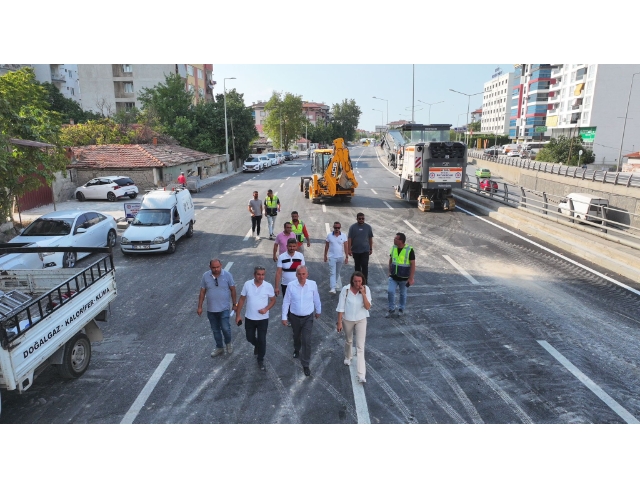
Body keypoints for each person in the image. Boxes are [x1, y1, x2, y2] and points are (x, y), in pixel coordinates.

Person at [281, 266, 321, 377]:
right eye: (299, 274)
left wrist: (318, 310)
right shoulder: (291, 286)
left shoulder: (312, 284)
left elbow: (316, 298)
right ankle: (296, 348)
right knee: (296, 335)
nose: (301, 276)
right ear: (296, 275)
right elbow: (286, 302)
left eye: (303, 274)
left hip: (308, 317)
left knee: (307, 340)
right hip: (294, 317)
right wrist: (284, 317)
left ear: (307, 274)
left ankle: (306, 364)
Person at [236, 266, 276, 371]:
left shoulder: (268, 286)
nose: (261, 277)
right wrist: (238, 315)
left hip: (263, 319)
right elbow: (241, 300)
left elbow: (273, 300)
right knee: (249, 337)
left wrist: (266, 309)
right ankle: (257, 346)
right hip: (249, 318)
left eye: (263, 274)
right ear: (254, 275)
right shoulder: (247, 284)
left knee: (262, 339)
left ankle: (260, 359)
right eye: (259, 274)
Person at [336, 271, 372, 383]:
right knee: (349, 340)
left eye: (359, 281)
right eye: (355, 281)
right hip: (348, 319)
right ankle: (348, 356)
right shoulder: (345, 290)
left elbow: (367, 307)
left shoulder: (366, 289)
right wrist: (339, 322)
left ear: (362, 281)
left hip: (361, 319)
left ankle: (361, 375)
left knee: (360, 347)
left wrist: (364, 294)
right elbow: (341, 306)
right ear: (352, 280)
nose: (357, 283)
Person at [197, 259, 237, 357]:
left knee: (225, 328)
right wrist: (200, 307)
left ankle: (228, 343)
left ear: (221, 265)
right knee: (215, 330)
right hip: (211, 310)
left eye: (218, 267)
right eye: (214, 267)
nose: (216, 269)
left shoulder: (227, 275)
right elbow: (202, 291)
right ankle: (219, 347)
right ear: (210, 267)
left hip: (224, 309)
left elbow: (233, 289)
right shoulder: (205, 276)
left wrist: (235, 304)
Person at [386, 232, 415, 318]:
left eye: (396, 239)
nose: (394, 240)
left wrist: (411, 278)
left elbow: (413, 264)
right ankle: (391, 309)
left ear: (401, 241)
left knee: (403, 294)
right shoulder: (394, 248)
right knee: (390, 291)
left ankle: (401, 309)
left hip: (404, 278)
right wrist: (389, 271)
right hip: (394, 276)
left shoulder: (409, 250)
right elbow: (391, 259)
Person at [347, 212, 373, 283]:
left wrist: (370, 248)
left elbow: (370, 238)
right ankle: (357, 281)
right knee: (357, 267)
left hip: (365, 250)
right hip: (355, 251)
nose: (361, 220)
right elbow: (350, 238)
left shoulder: (368, 227)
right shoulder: (352, 227)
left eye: (363, 218)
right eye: (360, 219)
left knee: (365, 266)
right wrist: (349, 249)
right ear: (357, 219)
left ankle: (364, 282)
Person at [324, 221, 348, 294]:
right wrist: (325, 255)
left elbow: (346, 246)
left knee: (337, 273)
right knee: (332, 273)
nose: (337, 229)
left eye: (338, 227)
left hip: (340, 257)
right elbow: (327, 246)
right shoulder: (329, 236)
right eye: (335, 227)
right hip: (332, 257)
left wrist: (347, 257)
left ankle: (336, 285)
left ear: (340, 228)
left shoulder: (343, 236)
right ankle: (333, 288)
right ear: (333, 227)